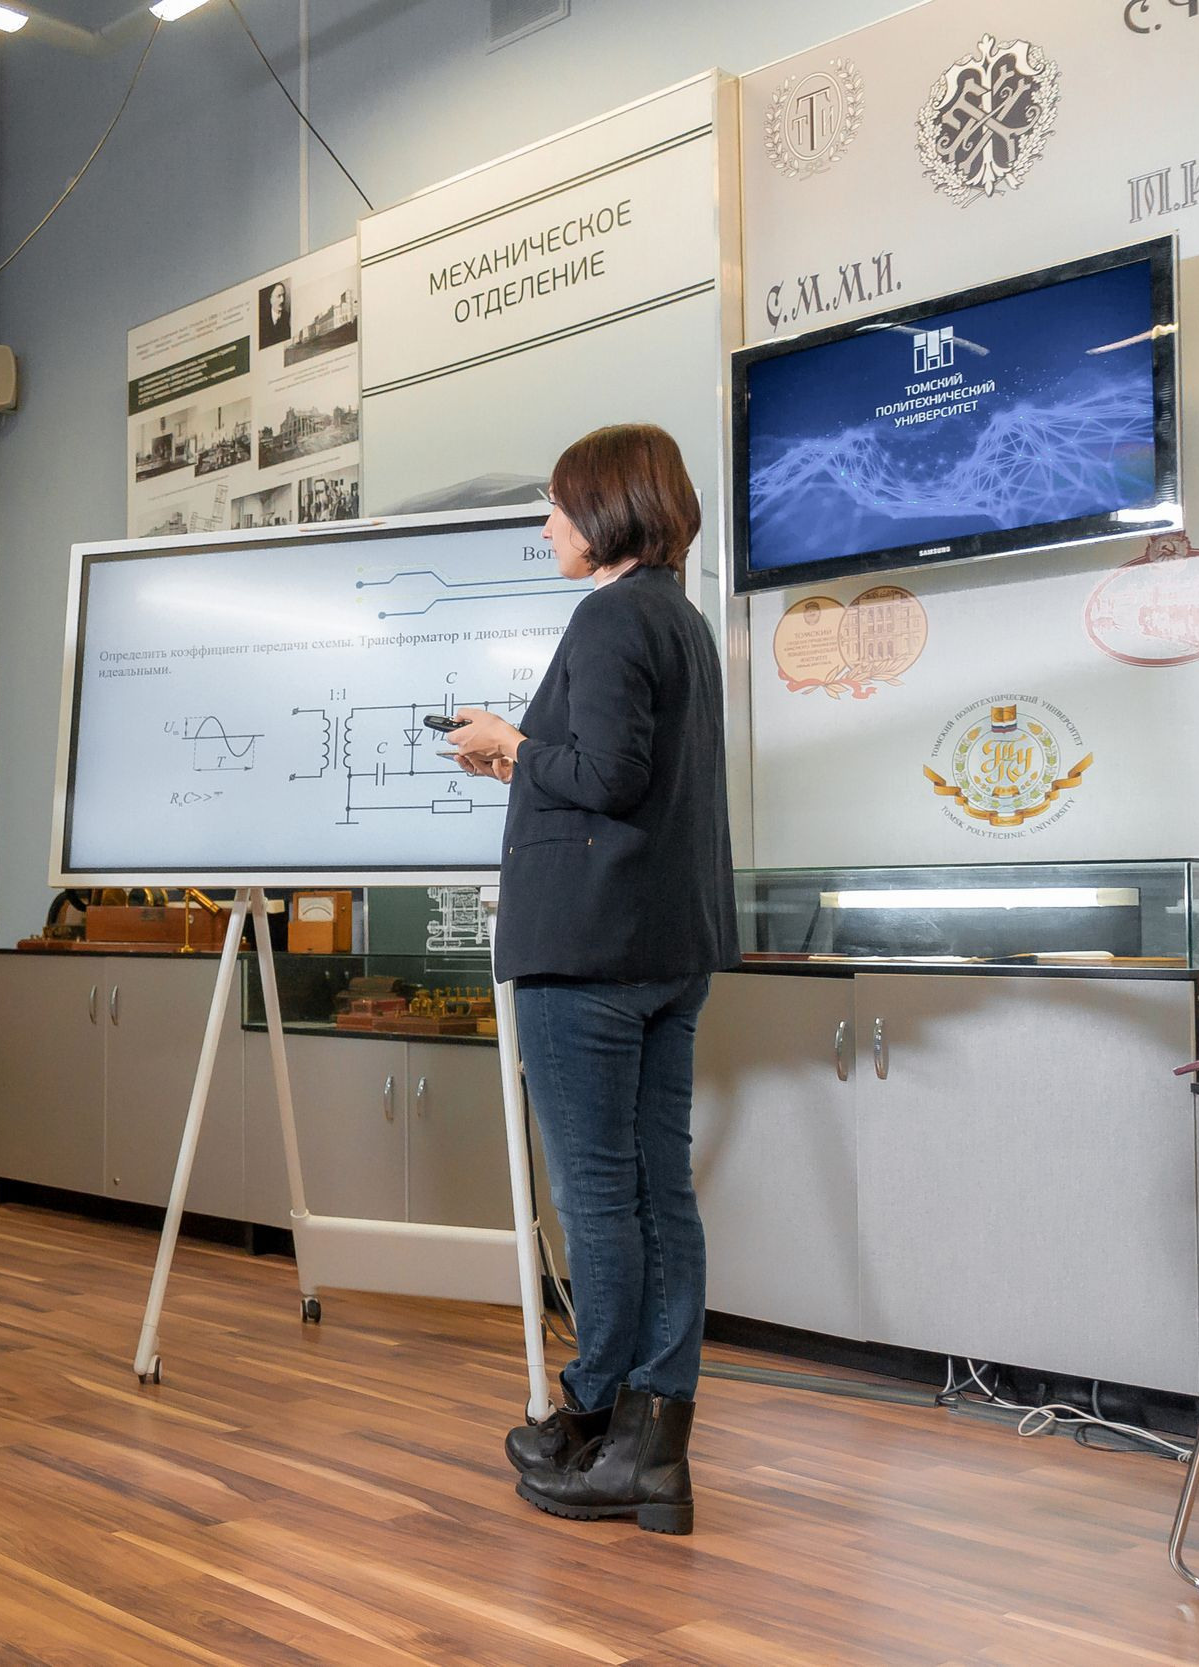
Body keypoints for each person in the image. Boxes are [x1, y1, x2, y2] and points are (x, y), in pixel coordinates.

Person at [442, 423, 737, 1537]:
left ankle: (601, 1406)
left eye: (560, 505)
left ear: (608, 509)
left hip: (589, 958)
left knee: (597, 1198)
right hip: (665, 948)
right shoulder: (679, 617)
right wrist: (523, 754)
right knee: (659, 1191)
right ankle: (646, 1446)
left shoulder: (610, 615)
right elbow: (632, 783)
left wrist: (511, 747)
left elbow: (606, 776)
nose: (547, 523)